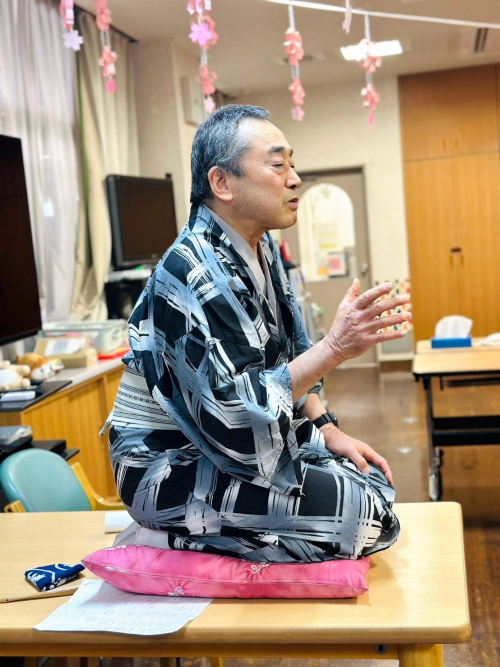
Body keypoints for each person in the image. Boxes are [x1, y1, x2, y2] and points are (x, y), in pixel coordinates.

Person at [105, 105, 411, 563]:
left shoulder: (261, 246)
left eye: (292, 164)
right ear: (222, 183)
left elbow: (290, 351)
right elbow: (234, 417)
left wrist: (328, 431)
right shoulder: (191, 271)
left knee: (372, 479)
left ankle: (222, 537)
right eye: (277, 165)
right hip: (170, 462)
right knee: (362, 517)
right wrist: (336, 347)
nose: (295, 179)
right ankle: (169, 539)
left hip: (240, 442)